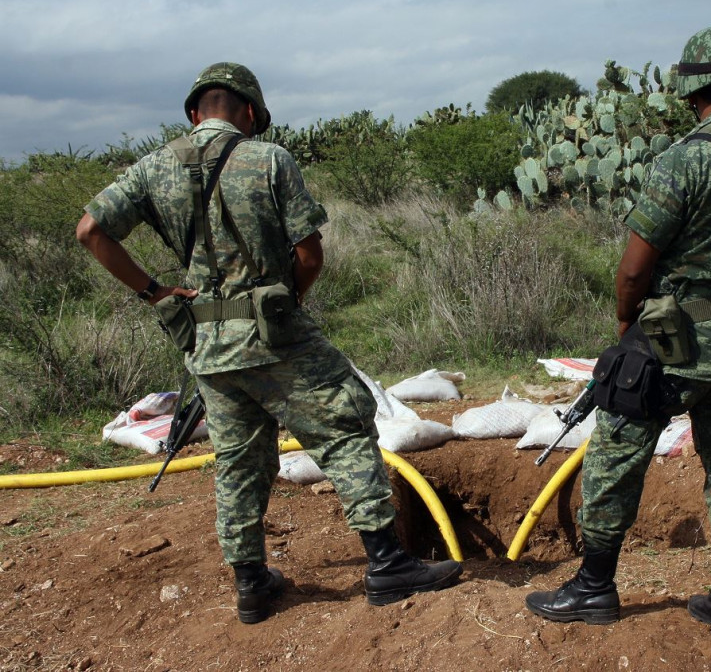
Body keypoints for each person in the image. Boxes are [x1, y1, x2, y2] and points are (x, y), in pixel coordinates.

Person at [76, 62, 462, 624]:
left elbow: (90, 230)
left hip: (205, 345)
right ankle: (387, 565)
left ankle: (251, 581)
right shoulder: (270, 158)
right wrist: (289, 302)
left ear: (193, 113)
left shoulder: (152, 169)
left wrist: (156, 291)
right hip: (276, 337)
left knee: (237, 460)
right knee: (345, 425)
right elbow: (310, 254)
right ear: (251, 112)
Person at [524, 26, 711, 647]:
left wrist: (627, 329)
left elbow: (635, 266)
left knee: (616, 453)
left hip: (674, 340)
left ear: (692, 90)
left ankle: (595, 587)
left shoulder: (685, 158)